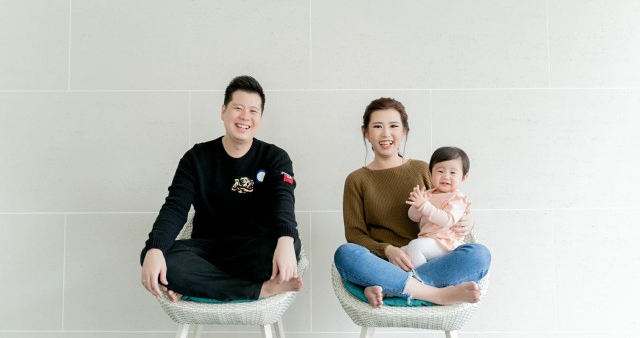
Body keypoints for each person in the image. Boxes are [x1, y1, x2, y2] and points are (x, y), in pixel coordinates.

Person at [140, 75, 303, 302]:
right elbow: (174, 208)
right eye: (238, 108)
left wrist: (286, 239)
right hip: (207, 250)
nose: (245, 117)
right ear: (223, 111)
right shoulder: (196, 158)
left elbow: (283, 201)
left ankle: (199, 285)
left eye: (253, 111)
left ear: (260, 117)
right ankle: (258, 290)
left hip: (253, 250)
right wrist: (155, 248)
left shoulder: (275, 157)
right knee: (157, 257)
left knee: (289, 245)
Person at [334, 98, 491, 309]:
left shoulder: (422, 169)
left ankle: (391, 290)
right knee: (346, 254)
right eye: (378, 126)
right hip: (383, 264)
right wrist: (388, 250)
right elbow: (355, 236)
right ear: (366, 132)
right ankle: (438, 295)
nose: (386, 134)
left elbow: (449, 202)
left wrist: (468, 220)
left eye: (393, 126)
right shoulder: (356, 180)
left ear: (404, 132)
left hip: (429, 260)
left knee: (479, 255)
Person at [403, 146, 472, 268]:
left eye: (452, 172)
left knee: (415, 247)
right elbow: (413, 217)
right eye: (440, 171)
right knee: (401, 252)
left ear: (463, 178)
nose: (446, 176)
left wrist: (424, 206)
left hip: (447, 243)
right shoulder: (428, 194)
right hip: (429, 241)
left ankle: (422, 277)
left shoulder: (457, 198)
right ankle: (414, 276)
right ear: (430, 174)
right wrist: (417, 205)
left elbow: (447, 220)